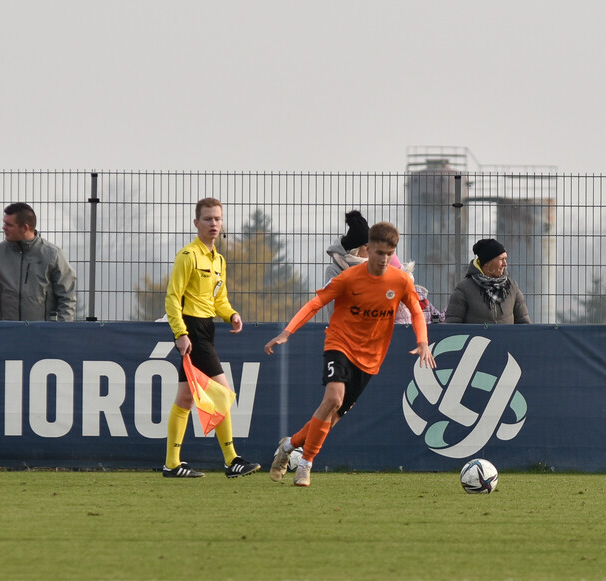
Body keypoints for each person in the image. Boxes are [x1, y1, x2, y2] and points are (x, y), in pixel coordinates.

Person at [264, 221, 437, 487]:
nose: (384, 259)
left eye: (390, 254)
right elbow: (315, 303)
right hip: (340, 344)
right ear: (368, 250)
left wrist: (423, 341)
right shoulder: (348, 278)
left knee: (331, 418)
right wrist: (287, 332)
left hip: (370, 358)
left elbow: (415, 310)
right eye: (379, 253)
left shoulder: (400, 280)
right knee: (333, 398)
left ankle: (288, 445)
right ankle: (305, 465)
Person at [161, 197, 259, 479]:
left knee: (185, 400)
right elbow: (172, 298)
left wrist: (232, 315)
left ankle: (172, 464)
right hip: (192, 330)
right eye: (208, 219)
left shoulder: (218, 260)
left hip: (207, 329)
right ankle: (231, 460)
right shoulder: (188, 256)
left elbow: (219, 299)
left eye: (218, 219)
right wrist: (180, 333)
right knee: (223, 395)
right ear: (196, 223)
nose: (214, 224)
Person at [0, 202, 77, 322]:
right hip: (5, 335)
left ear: (25, 228)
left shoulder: (53, 255)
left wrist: (59, 331)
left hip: (42, 335)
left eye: (9, 225)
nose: (4, 227)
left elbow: (67, 297)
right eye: (4, 223)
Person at [444, 238, 530, 324]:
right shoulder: (464, 288)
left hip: (506, 337)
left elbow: (524, 325)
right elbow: (452, 326)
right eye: (501, 259)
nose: (505, 264)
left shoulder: (512, 287)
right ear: (486, 264)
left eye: (505, 259)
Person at [324, 210, 370, 284]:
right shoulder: (334, 270)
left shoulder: (375, 268)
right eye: (366, 245)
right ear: (355, 250)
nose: (370, 249)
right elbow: (331, 294)